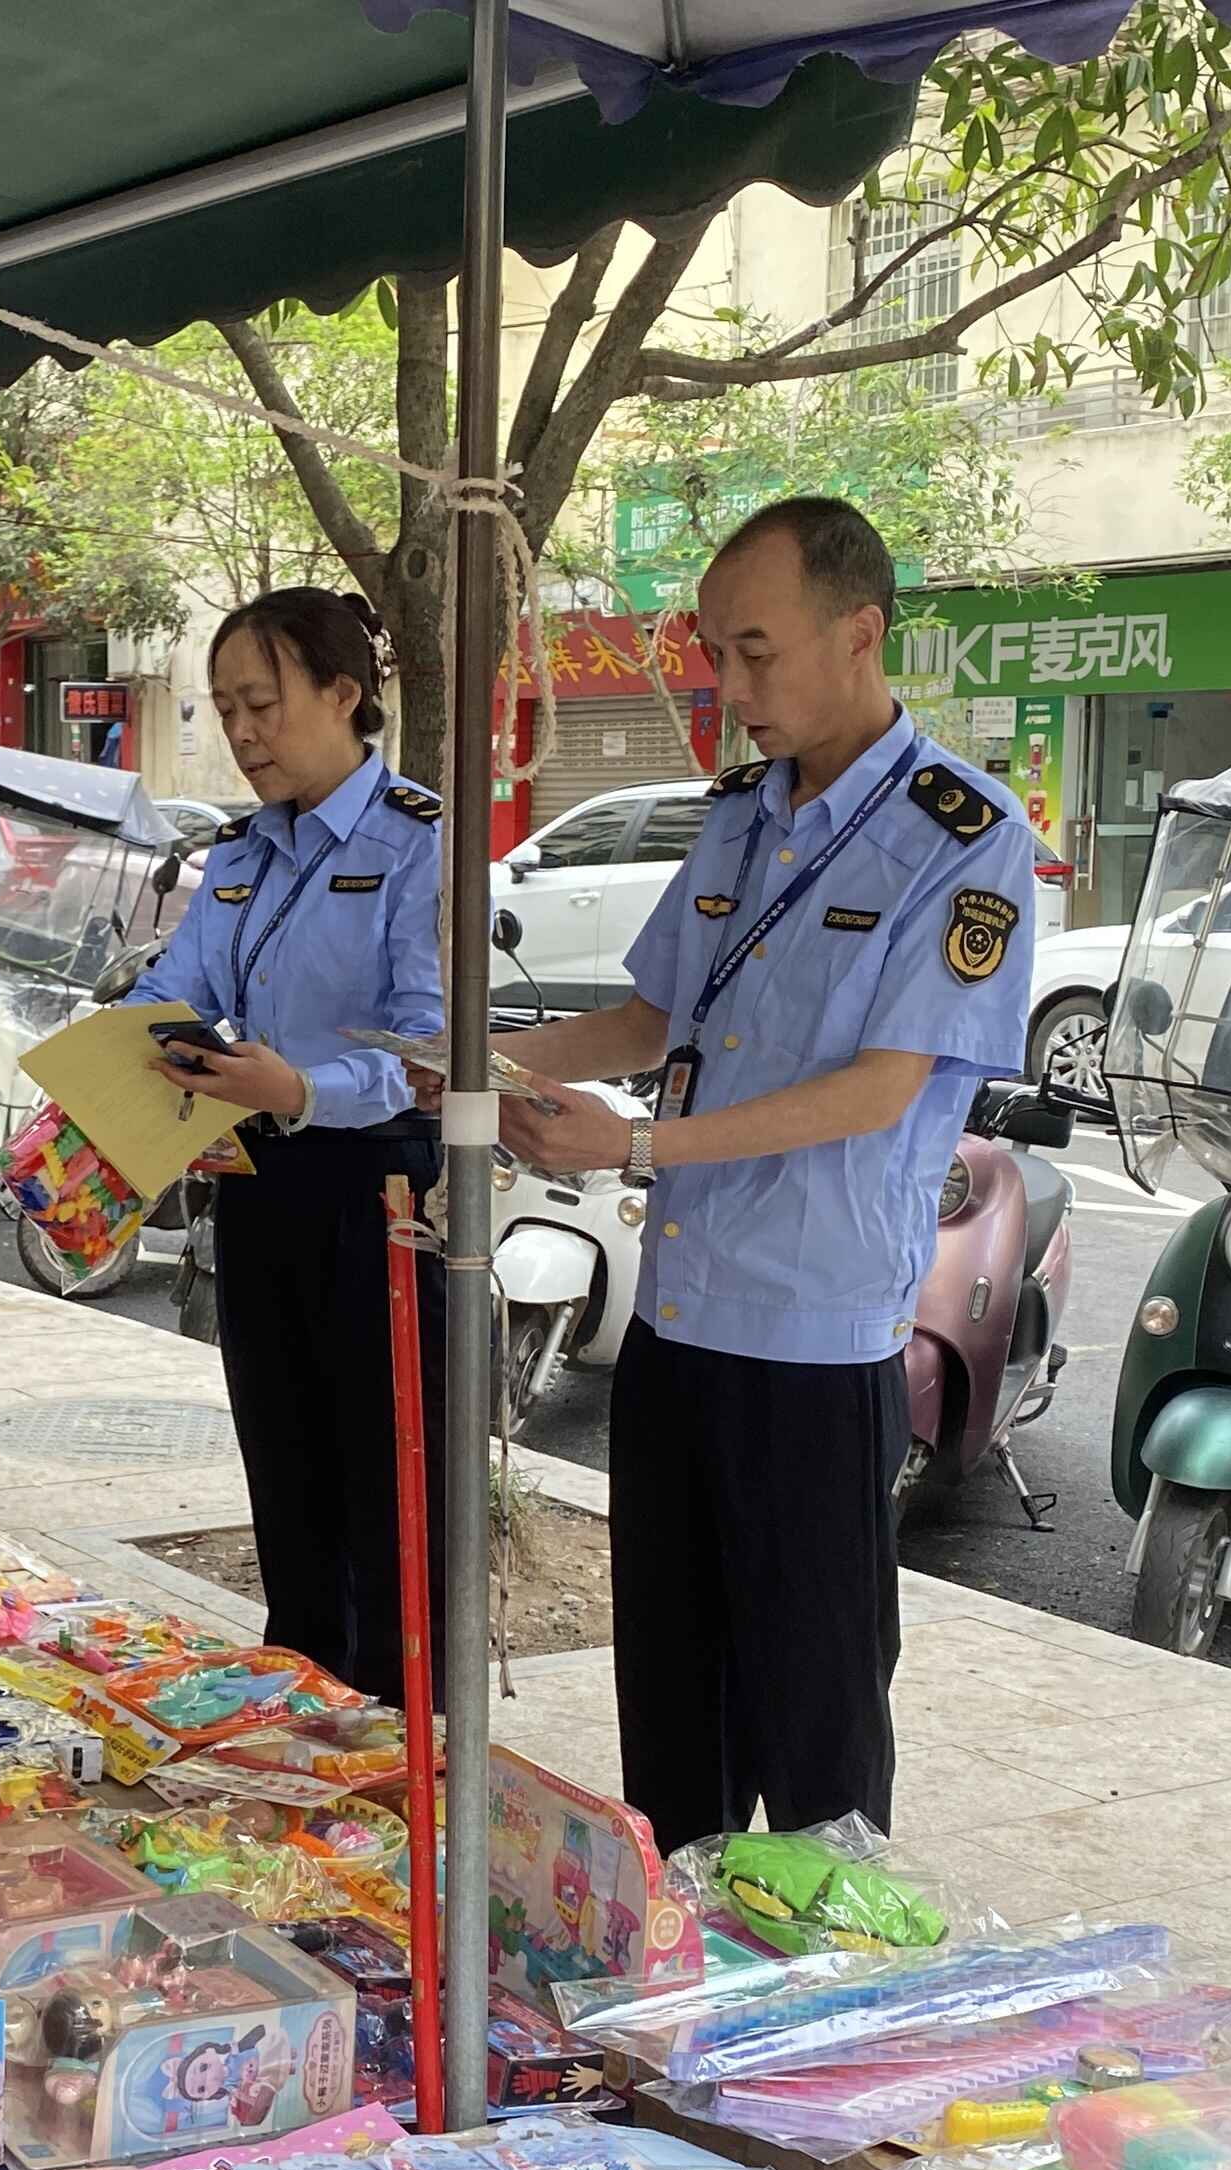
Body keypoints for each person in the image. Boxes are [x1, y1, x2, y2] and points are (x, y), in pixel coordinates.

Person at [495, 495, 1036, 1845]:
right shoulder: (740, 814)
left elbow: (880, 1088)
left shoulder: (962, 836)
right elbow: (654, 1016)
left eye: (757, 653)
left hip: (810, 1342)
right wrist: (475, 1063)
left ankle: (819, 1972)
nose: (731, 691)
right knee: (672, 1722)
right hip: (676, 1325)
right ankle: (680, 1953)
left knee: (815, 1746)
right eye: (715, 655)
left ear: (860, 633)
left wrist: (630, 1144)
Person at [134, 587, 446, 1704]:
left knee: (387, 1489)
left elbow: (433, 1049)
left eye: (261, 704)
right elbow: (179, 985)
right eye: (225, 709)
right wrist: (128, 1044)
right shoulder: (243, 849)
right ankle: (304, 1720)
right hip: (259, 1181)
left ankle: (403, 1734)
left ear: (344, 693)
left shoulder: (421, 844)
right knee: (286, 1470)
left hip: (382, 1195)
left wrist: (304, 1088)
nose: (242, 732)